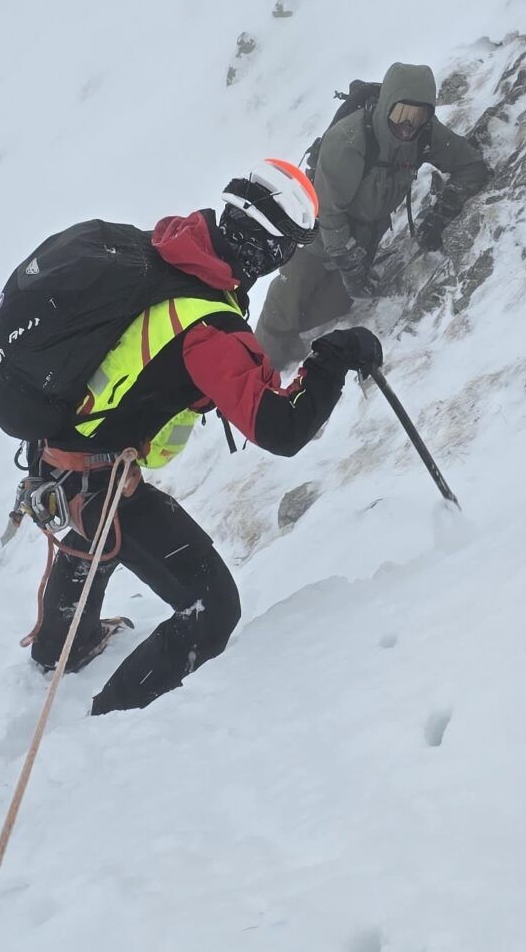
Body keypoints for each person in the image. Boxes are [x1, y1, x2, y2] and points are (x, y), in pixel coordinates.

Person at [24, 159, 381, 715]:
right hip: (99, 477)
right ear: (269, 249)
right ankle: (109, 720)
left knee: (99, 532)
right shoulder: (208, 326)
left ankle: (58, 651)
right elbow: (280, 428)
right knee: (212, 609)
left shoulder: (171, 251)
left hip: (57, 452)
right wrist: (333, 358)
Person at [254, 61, 488, 370]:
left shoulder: (424, 136)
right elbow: (329, 212)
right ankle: (257, 375)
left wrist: (443, 211)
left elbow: (471, 165)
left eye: (419, 116)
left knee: (334, 305)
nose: (408, 125)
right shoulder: (347, 141)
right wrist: (349, 261)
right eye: (401, 114)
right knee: (284, 302)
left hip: (365, 235)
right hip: (316, 232)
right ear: (387, 105)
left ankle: (291, 354)